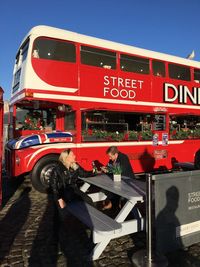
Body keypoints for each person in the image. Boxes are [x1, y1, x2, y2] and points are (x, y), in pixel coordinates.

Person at [50, 149, 95, 219]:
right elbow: (53, 186)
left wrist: (95, 172)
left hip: (73, 189)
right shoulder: (58, 168)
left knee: (88, 200)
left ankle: (91, 221)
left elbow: (84, 174)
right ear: (66, 157)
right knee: (73, 207)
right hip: (62, 191)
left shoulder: (75, 166)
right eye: (72, 155)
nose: (75, 156)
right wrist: (59, 198)